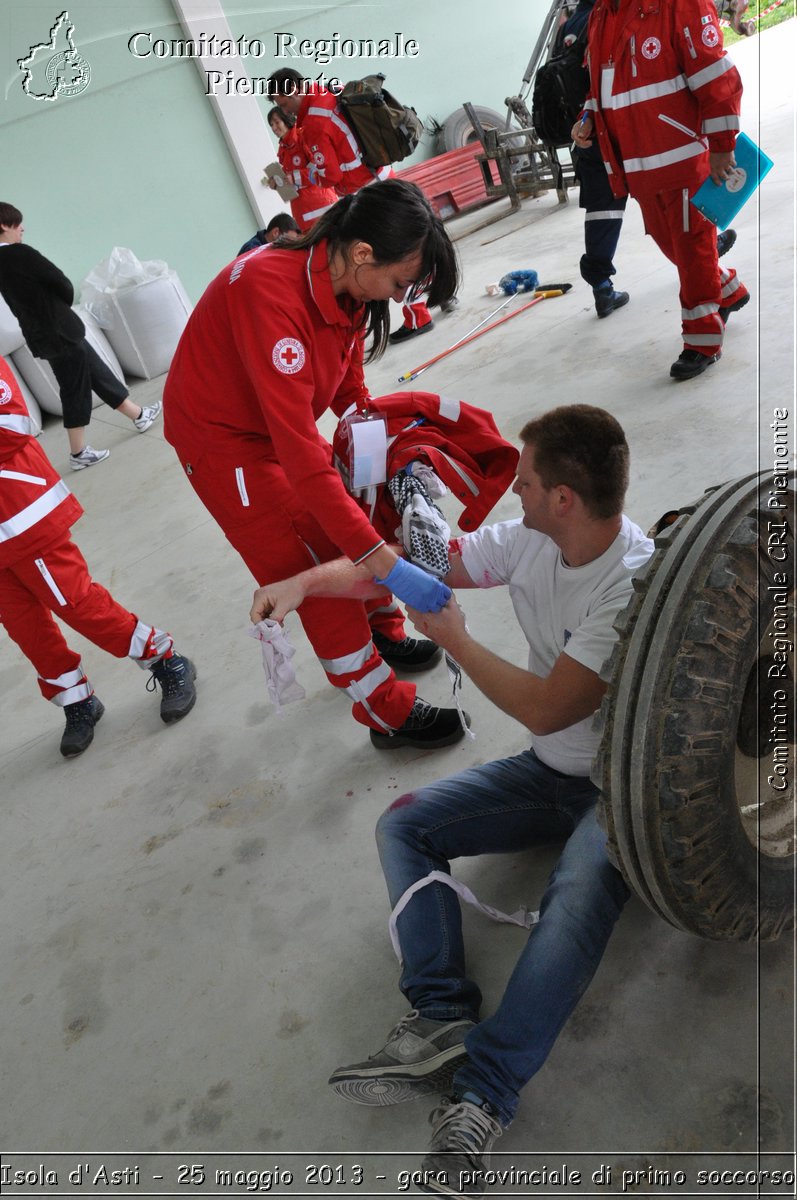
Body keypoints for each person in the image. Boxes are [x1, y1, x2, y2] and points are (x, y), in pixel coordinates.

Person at [250, 404, 653, 1198]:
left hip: (617, 784)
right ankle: (437, 1014)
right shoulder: (532, 538)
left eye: (527, 482)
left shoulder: (628, 582)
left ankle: (481, 1097)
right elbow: (399, 566)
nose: (517, 493)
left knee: (571, 903)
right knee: (404, 824)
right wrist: (301, 583)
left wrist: (457, 639)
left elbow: (547, 707)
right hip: (549, 773)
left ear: (564, 498)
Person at [163, 179, 467, 751]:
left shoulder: (342, 282)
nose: (400, 301)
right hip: (227, 445)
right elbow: (302, 455)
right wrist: (383, 562)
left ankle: (384, 631)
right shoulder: (271, 294)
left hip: (275, 424)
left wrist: (382, 461)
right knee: (314, 565)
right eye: (400, 284)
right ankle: (385, 712)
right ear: (362, 253)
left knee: (355, 507)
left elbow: (347, 386)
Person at [0, 355, 196, 757]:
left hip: (22, 513)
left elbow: (14, 424)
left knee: (77, 603)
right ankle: (77, 700)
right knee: (26, 628)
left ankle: (167, 660)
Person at [572, 0, 749, 380]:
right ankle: (728, 291)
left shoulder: (679, 4)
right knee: (673, 245)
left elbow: (716, 76)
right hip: (639, 168)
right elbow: (602, 85)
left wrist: (722, 146)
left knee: (692, 246)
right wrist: (588, 117)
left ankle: (702, 340)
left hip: (685, 160)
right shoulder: (602, 14)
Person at [267, 70, 436, 343]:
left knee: (392, 256)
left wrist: (297, 178)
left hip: (366, 192)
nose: (284, 113)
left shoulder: (312, 125)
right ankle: (430, 291)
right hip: (378, 178)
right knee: (404, 246)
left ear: (294, 91)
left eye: (283, 105)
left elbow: (330, 175)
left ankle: (420, 311)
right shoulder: (327, 94)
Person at [0, 203, 162, 469]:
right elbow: (60, 281)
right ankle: (78, 453)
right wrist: (62, 307)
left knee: (97, 372)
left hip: (41, 333)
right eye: (17, 224)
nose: (22, 228)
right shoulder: (21, 254)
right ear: (4, 225)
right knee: (74, 389)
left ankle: (139, 415)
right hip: (58, 329)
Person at [265, 106, 338, 233]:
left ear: (286, 119)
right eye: (271, 124)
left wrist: (294, 178)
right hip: (301, 210)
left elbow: (319, 167)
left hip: (321, 203)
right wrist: (277, 183)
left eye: (277, 122)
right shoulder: (283, 149)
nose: (274, 128)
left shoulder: (303, 137)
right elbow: (290, 181)